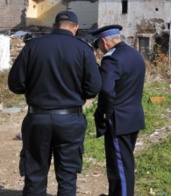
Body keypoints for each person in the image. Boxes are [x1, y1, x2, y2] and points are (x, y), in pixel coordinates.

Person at [8, 10, 101, 196]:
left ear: (53, 27)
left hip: (37, 117)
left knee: (35, 174)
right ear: (75, 28)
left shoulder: (32, 46)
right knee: (67, 176)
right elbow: (93, 88)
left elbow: (15, 84)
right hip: (70, 120)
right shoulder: (83, 49)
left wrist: (35, 88)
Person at [91, 24, 146, 196]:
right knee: (125, 163)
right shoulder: (135, 55)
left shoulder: (111, 59)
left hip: (119, 120)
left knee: (119, 167)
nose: (99, 51)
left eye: (98, 47)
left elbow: (107, 90)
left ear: (104, 43)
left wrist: (104, 112)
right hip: (134, 116)